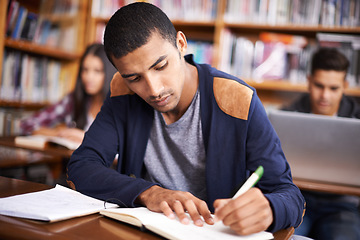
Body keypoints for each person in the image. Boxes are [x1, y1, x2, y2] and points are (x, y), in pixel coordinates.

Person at [67, 2, 305, 236]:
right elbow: (82, 166)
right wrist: (149, 193)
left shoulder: (237, 99)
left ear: (181, 44)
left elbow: (290, 195)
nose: (154, 90)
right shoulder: (123, 94)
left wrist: (270, 209)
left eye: (160, 66)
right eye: (135, 78)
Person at [282, 47, 360, 239]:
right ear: (308, 82)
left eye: (333, 88)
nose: (325, 95)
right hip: (298, 200)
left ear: (345, 85)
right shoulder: (287, 115)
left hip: (343, 205)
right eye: (319, 85)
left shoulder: (358, 118)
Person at [20, 43, 117, 144]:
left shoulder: (119, 106)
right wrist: (60, 133)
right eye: (85, 70)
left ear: (109, 73)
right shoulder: (73, 100)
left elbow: (123, 147)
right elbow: (27, 125)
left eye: (97, 71)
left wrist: (85, 137)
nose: (89, 77)